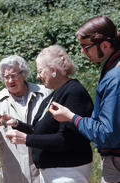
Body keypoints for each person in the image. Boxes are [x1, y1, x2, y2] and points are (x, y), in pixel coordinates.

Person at [4, 45, 93, 183]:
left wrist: (26, 139)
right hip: (52, 172)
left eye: (40, 71)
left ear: (53, 71)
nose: (38, 76)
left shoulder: (74, 93)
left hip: (67, 171)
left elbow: (67, 140)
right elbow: (40, 131)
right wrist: (17, 124)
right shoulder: (53, 95)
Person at [49, 16, 120, 183]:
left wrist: (71, 117)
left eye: (85, 47)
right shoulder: (113, 67)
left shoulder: (115, 76)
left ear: (105, 45)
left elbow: (106, 133)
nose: (82, 51)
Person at [0, 55, 51, 183]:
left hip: (44, 168)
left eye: (13, 75)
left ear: (23, 74)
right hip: (14, 171)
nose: (9, 80)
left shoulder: (44, 94)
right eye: (5, 77)